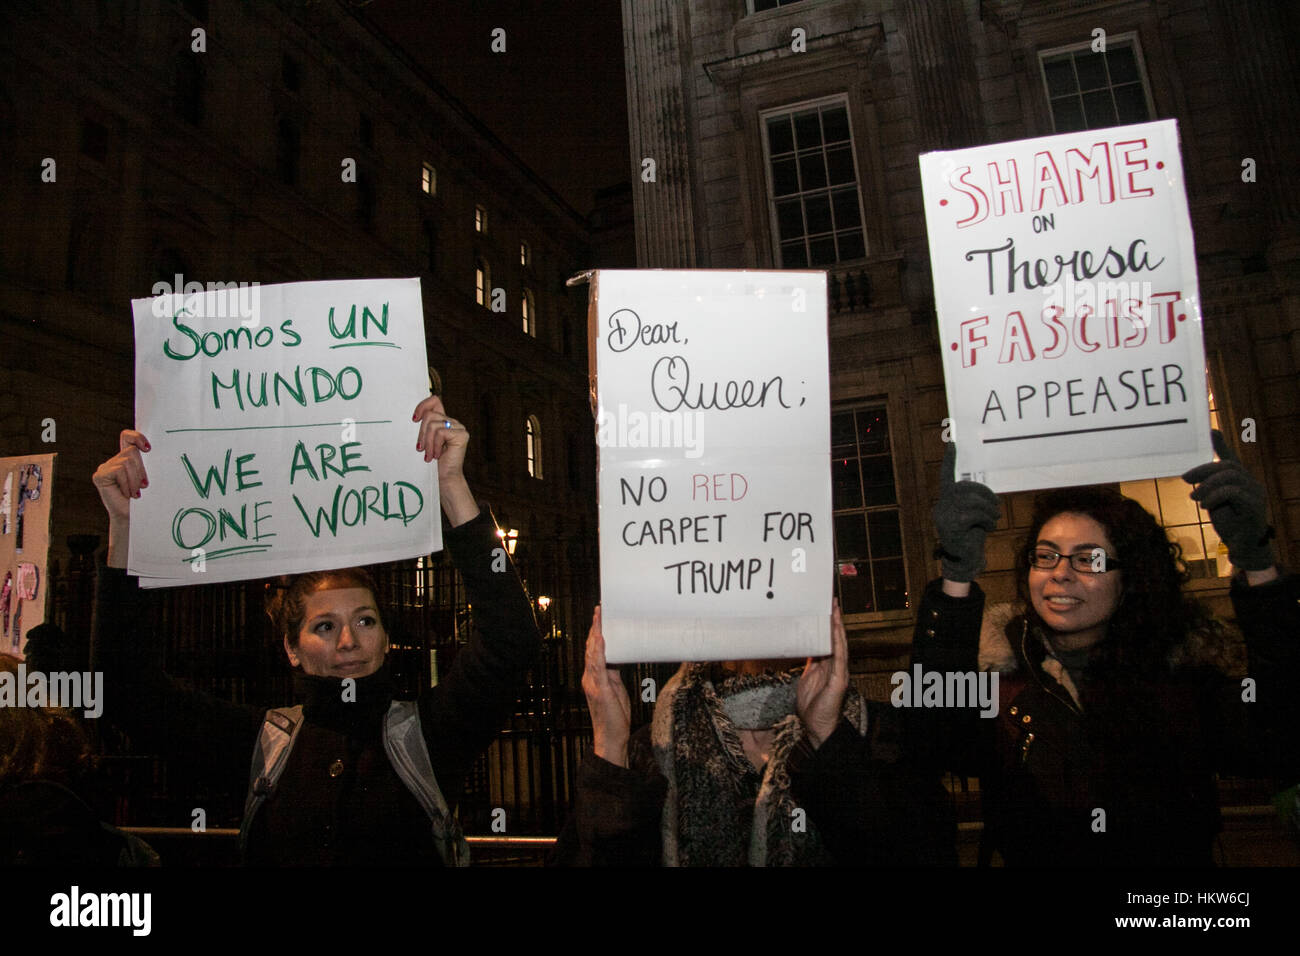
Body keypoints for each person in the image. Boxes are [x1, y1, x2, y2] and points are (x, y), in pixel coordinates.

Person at [90, 396, 540, 865]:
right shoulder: (262, 747)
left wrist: (451, 486)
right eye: (324, 626)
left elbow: (512, 639)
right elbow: (124, 687)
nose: (349, 641)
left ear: (386, 638)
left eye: (365, 621)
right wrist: (126, 527)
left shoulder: (429, 735)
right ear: (290, 647)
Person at [908, 432, 1300, 865]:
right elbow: (935, 737)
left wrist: (1259, 566)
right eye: (1045, 555)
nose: (1060, 573)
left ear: (1131, 577)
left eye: (1089, 559)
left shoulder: (1184, 673)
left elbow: (1279, 733)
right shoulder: (1002, 680)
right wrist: (956, 576)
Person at [551, 603, 954, 866]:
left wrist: (829, 738)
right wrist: (608, 745)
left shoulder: (877, 736)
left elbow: (919, 852)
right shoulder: (649, 750)